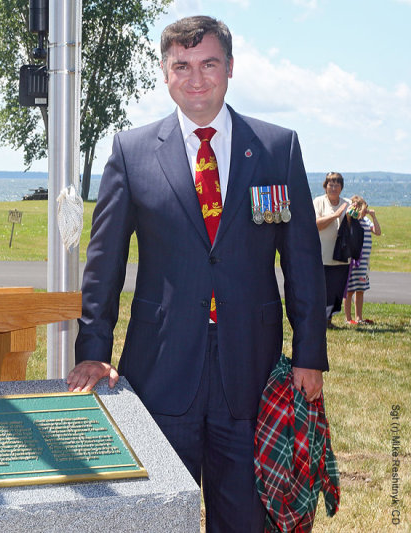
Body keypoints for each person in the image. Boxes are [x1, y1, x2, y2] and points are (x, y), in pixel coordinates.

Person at [67, 16, 328, 532]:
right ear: (165, 73)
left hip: (250, 372)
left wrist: (309, 355)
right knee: (158, 516)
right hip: (160, 368)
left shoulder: (278, 149)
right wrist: (93, 351)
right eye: (181, 66)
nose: (196, 78)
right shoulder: (131, 151)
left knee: (247, 518)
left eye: (208, 64)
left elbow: (301, 261)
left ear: (229, 68)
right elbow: (104, 263)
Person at [313, 172, 350, 328]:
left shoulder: (347, 203)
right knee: (322, 289)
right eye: (331, 184)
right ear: (325, 186)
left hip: (342, 255)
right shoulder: (319, 202)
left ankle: (329, 319)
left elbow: (355, 224)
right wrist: (335, 215)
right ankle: (320, 319)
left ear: (341, 187)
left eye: (337, 185)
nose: (333, 188)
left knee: (336, 290)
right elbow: (316, 224)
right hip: (323, 255)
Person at [343, 195, 381, 324]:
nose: (366, 211)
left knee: (360, 289)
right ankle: (348, 318)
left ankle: (359, 317)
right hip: (353, 260)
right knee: (349, 290)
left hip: (364, 261)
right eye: (364, 209)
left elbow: (377, 232)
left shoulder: (366, 221)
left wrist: (373, 217)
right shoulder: (353, 221)